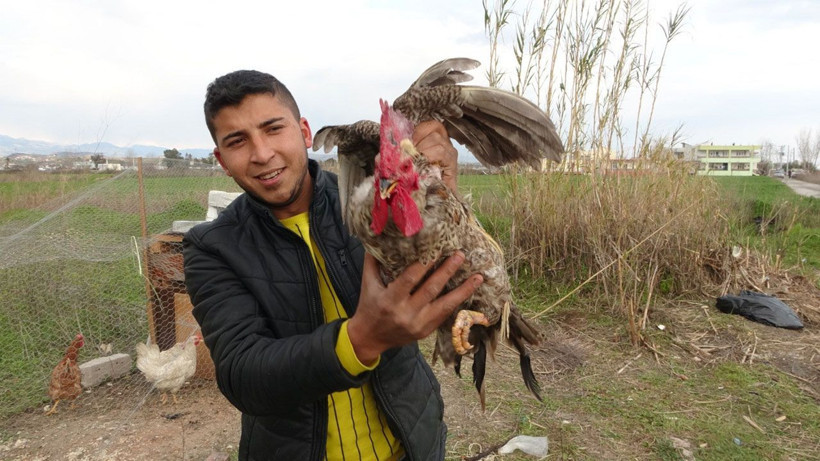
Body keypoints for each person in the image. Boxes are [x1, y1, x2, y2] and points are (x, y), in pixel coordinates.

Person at [183, 69, 483, 461]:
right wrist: (361, 340)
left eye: (273, 129)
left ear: (305, 132)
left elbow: (438, 264)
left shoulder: (372, 202)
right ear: (222, 160)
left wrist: (441, 192)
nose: (261, 153)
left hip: (411, 445)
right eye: (237, 141)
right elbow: (243, 375)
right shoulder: (212, 247)